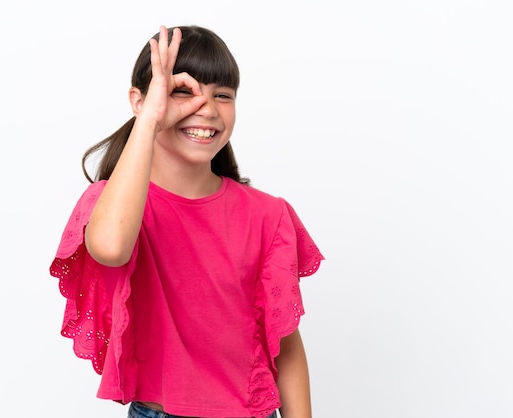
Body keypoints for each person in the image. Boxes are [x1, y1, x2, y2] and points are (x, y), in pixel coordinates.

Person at [49, 25, 325, 418]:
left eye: (223, 96)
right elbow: (110, 248)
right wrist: (151, 119)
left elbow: (285, 344)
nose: (207, 109)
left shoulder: (268, 214)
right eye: (183, 92)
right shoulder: (110, 205)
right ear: (140, 101)